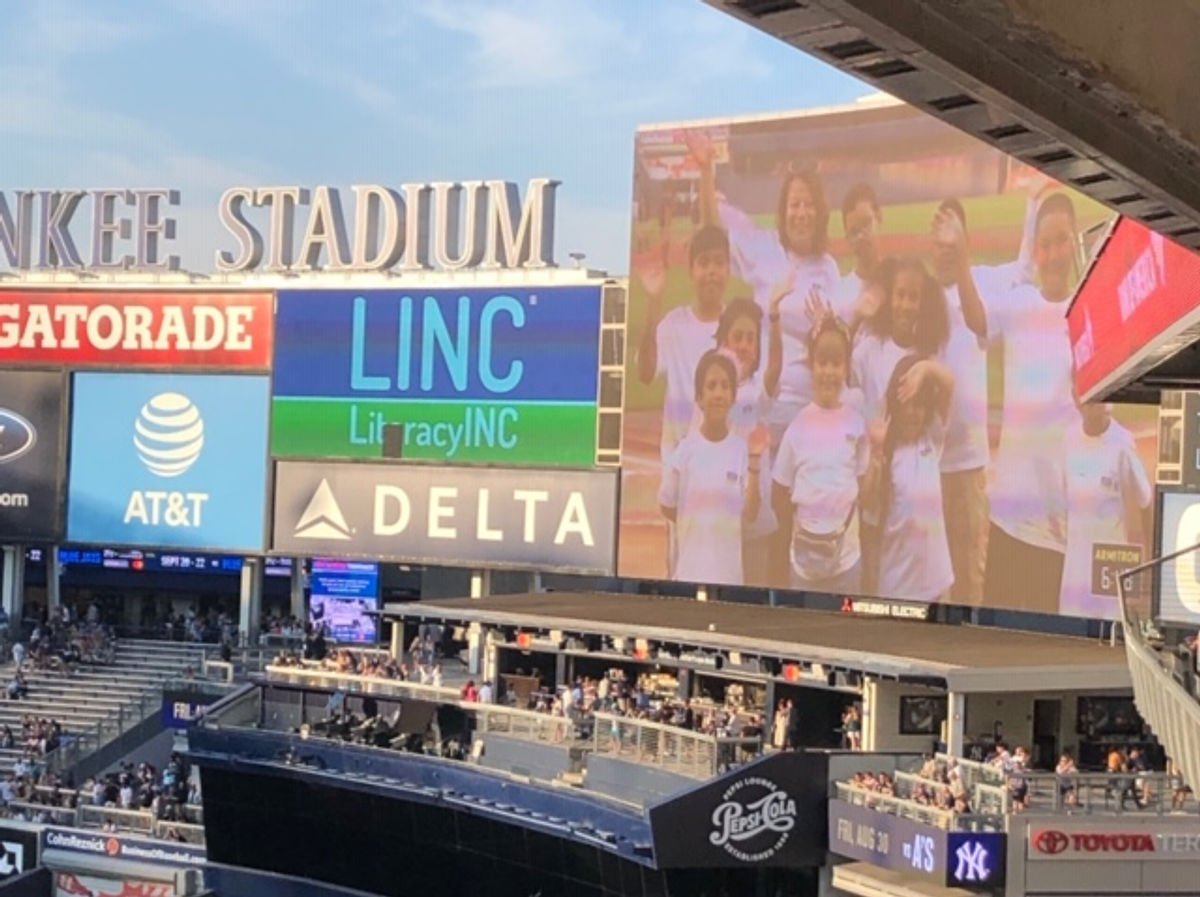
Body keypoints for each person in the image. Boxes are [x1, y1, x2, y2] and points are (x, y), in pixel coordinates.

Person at [961, 192, 1083, 613]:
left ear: (1074, 241)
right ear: (1036, 251)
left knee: (1041, 637)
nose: (1053, 254)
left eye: (1060, 241)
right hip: (1008, 514)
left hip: (1054, 522)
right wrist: (961, 261)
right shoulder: (1018, 304)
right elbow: (977, 320)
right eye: (1044, 244)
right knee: (996, 633)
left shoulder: (1084, 314)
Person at [691, 133, 841, 445]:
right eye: (794, 205)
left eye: (809, 205)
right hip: (762, 411)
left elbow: (836, 346)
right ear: (783, 212)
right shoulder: (766, 249)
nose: (801, 213)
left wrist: (824, 328)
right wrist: (706, 170)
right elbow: (713, 231)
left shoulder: (829, 269)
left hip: (810, 413)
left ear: (820, 212)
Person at [929, 200, 999, 606]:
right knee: (936, 575)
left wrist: (963, 259)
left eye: (952, 242)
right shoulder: (922, 293)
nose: (945, 251)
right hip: (930, 462)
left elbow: (980, 321)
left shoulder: (979, 283)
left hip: (970, 461)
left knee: (972, 570)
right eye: (939, 242)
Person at [772, 314, 873, 593]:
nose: (829, 372)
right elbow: (779, 492)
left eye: (836, 363)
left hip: (847, 563)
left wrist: (877, 456)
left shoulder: (856, 423)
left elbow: (864, 490)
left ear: (846, 367)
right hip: (804, 568)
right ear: (811, 366)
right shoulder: (797, 427)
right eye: (822, 363)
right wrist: (807, 530)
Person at [659, 351, 764, 585]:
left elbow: (750, 513)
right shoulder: (684, 451)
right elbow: (667, 505)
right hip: (689, 576)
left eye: (725, 386)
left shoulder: (741, 451)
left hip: (729, 579)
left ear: (733, 397)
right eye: (711, 386)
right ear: (699, 397)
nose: (718, 394)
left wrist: (755, 463)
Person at [636, 225, 732, 463]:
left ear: (728, 271)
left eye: (719, 263)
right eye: (704, 263)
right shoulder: (673, 324)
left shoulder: (737, 329)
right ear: (691, 273)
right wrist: (654, 301)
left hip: (723, 456)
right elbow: (645, 373)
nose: (712, 271)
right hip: (678, 458)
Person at [872, 354, 956, 601]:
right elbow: (869, 511)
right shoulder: (886, 453)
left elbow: (950, 384)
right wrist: (875, 454)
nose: (911, 412)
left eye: (919, 404)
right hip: (897, 589)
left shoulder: (932, 439)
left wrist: (925, 368)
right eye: (905, 404)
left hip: (937, 587)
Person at [1060, 397, 1153, 617]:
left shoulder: (1122, 443)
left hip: (1108, 568)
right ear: (1079, 403)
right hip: (1075, 572)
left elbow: (1146, 501)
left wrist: (1149, 562)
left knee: (1109, 632)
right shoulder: (1069, 439)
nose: (1102, 404)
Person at [713, 299, 778, 581]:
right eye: (737, 337)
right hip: (720, 520)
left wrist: (774, 319)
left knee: (754, 591)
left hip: (755, 520)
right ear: (724, 340)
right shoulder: (713, 390)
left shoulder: (757, 391)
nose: (744, 345)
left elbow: (774, 369)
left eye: (751, 339)